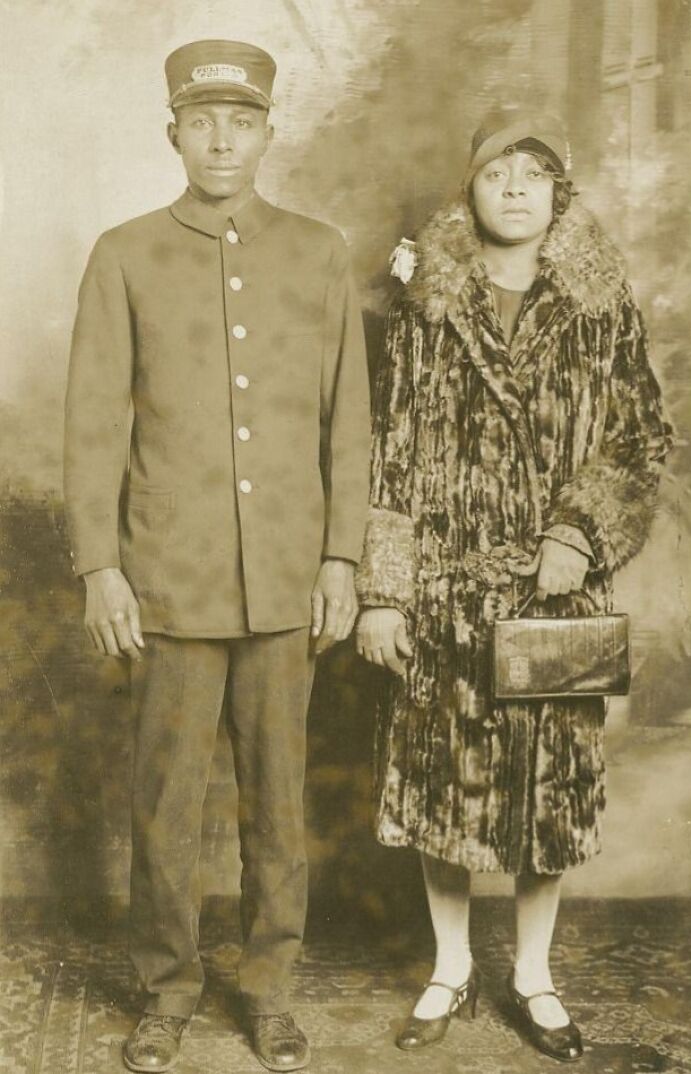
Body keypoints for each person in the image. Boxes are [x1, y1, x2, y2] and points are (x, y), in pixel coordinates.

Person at [64, 39, 370, 1074]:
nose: (222, 139)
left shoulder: (318, 251)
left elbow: (346, 425)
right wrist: (100, 564)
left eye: (241, 121)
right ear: (174, 134)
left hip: (286, 574)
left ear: (267, 132)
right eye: (202, 122)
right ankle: (166, 990)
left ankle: (268, 989)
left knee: (279, 805)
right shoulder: (125, 252)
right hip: (168, 572)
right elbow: (95, 422)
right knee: (167, 803)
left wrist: (341, 557)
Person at [355, 108, 673, 1062]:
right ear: (472, 189)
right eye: (499, 173)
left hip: (553, 595)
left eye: (535, 173)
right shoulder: (424, 305)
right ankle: (449, 966)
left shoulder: (600, 304)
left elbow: (638, 439)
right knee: (438, 786)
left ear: (560, 191)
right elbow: (391, 452)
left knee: (550, 795)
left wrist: (580, 531)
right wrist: (383, 591)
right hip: (446, 589)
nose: (517, 189)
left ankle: (534, 975)